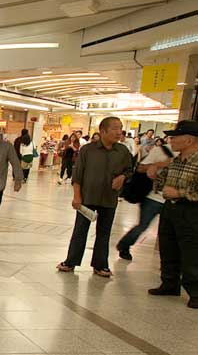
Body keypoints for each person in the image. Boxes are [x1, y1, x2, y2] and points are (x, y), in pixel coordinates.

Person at [57, 117, 133, 278]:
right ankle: (71, 261)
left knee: (104, 233)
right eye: (115, 128)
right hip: (87, 198)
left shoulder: (123, 151)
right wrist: (77, 197)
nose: (119, 132)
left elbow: (129, 170)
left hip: (109, 198)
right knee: (80, 231)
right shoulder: (88, 150)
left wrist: (123, 178)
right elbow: (77, 175)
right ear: (103, 131)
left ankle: (100, 265)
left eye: (120, 128)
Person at [148, 120, 198, 309]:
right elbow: (162, 182)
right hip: (171, 208)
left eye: (175, 137)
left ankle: (195, 291)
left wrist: (180, 193)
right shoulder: (176, 160)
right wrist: (156, 176)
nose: (171, 140)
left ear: (189, 140)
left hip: (191, 210)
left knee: (191, 250)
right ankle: (169, 283)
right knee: (168, 245)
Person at [116, 139, 176, 261]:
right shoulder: (161, 150)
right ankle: (125, 244)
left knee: (170, 232)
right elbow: (140, 168)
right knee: (143, 225)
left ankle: (170, 261)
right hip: (153, 197)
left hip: (175, 200)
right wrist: (161, 164)